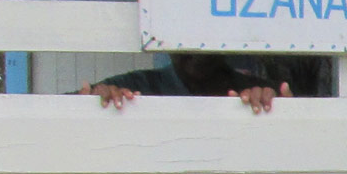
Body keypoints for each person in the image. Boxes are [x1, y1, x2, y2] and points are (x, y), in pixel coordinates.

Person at [80, 52, 287, 112]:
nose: (194, 50)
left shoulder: (262, 92)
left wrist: (284, 112)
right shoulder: (137, 85)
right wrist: (95, 101)